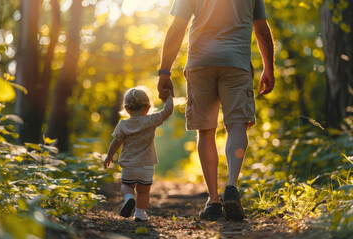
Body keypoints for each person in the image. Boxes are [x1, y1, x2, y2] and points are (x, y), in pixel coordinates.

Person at [158, 0, 275, 221]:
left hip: (200, 62)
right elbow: (262, 31)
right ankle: (231, 186)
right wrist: (268, 68)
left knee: (205, 130)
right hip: (236, 64)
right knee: (237, 125)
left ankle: (213, 200)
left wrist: (165, 71)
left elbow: (176, 29)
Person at [104, 87, 173, 221]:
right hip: (146, 166)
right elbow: (168, 111)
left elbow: (116, 142)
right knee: (143, 191)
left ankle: (129, 197)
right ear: (147, 108)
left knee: (126, 186)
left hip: (129, 165)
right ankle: (140, 214)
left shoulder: (122, 125)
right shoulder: (151, 120)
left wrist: (109, 155)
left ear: (127, 109)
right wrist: (169, 96)